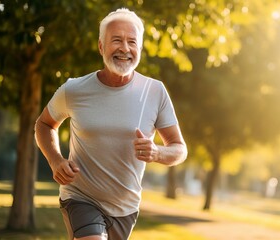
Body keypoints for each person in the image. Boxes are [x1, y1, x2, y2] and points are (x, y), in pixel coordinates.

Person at [34, 8, 187, 240]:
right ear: (101, 46)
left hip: (126, 208)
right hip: (80, 196)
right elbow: (44, 124)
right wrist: (55, 161)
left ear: (139, 48)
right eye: (116, 40)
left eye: (132, 42)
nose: (125, 48)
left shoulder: (155, 91)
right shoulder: (75, 89)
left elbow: (179, 149)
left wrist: (157, 152)